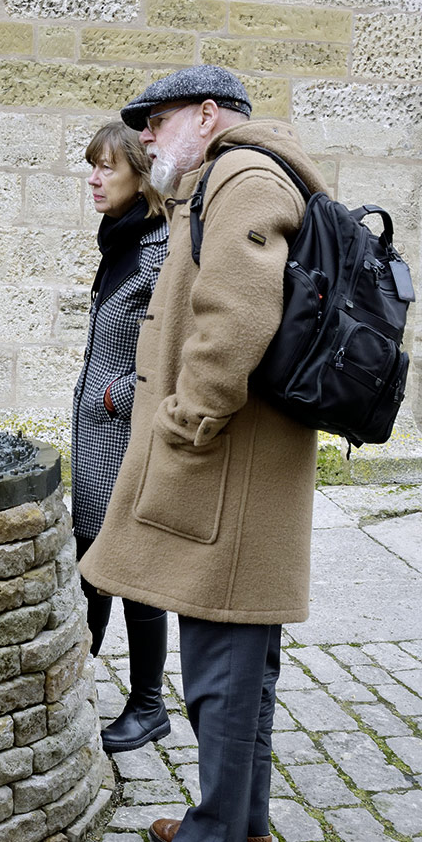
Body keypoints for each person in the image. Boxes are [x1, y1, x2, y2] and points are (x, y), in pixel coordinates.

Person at [79, 65, 328, 842]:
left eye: (157, 119)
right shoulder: (235, 177)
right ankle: (239, 823)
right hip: (239, 467)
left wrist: (186, 420)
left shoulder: (243, 178)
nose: (146, 135)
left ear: (210, 114)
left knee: (222, 668)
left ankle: (216, 831)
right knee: (242, 667)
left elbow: (238, 314)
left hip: (227, 468)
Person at [72, 121, 169, 753]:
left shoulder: (160, 249)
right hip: (95, 440)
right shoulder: (121, 240)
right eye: (92, 165)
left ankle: (149, 704)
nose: (95, 177)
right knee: (91, 564)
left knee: (129, 569)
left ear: (141, 172)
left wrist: (118, 395)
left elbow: (181, 353)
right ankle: (74, 675)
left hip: (125, 436)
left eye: (108, 166)